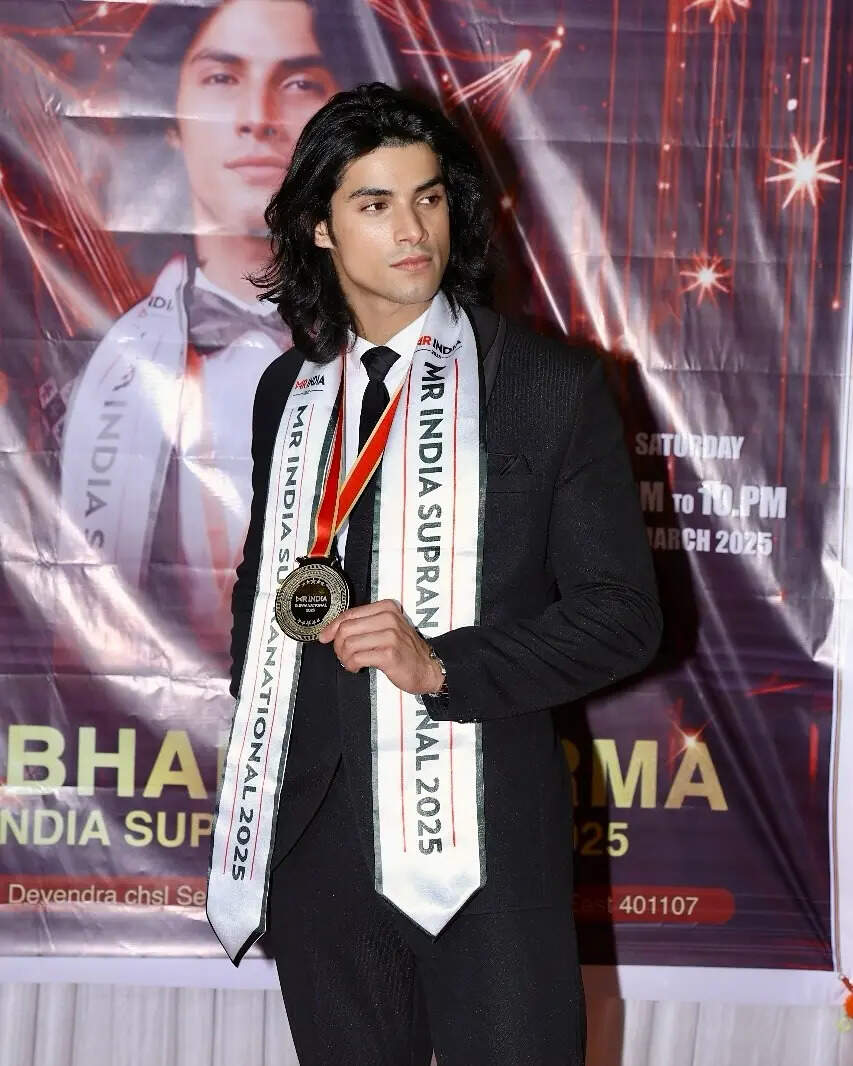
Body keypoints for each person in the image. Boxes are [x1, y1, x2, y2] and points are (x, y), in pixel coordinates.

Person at [207, 82, 662, 1064]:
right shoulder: (290, 389)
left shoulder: (547, 385)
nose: (413, 229)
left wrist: (444, 666)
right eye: (375, 204)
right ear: (319, 227)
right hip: (320, 841)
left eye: (428, 197)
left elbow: (622, 615)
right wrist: (265, 716)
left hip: (483, 840)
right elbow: (262, 586)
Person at [56, 0, 364, 658]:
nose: (258, 116)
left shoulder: (424, 355)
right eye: (221, 78)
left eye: (298, 82)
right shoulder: (93, 374)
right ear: (170, 121)